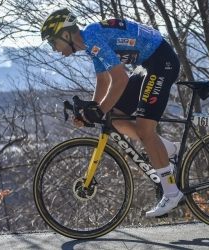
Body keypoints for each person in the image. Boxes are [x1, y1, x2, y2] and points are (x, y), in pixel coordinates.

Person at [40, 8, 185, 217]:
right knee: (116, 117)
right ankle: (167, 149)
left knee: (145, 130)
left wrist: (98, 111)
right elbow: (104, 80)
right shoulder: (89, 42)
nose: (53, 48)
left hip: (162, 62)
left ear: (65, 35)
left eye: (52, 42)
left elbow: (120, 80)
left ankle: (172, 192)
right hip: (147, 63)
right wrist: (91, 110)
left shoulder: (91, 38)